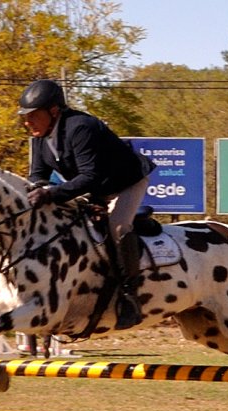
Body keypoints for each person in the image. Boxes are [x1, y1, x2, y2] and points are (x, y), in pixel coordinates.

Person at [18, 79, 156, 330]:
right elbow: (37, 173)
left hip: (125, 182)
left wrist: (51, 194)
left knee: (117, 228)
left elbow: (89, 176)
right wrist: (37, 189)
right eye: (25, 117)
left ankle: (129, 297)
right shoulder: (40, 136)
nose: (28, 123)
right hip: (93, 188)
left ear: (53, 111)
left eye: (33, 116)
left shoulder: (80, 127)